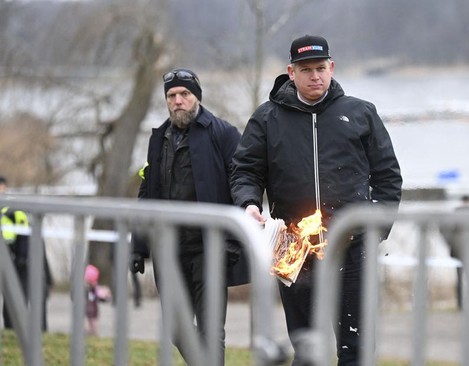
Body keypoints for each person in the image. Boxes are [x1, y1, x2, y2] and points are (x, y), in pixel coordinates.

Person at [230, 35, 403, 365]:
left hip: (352, 248)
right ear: (291, 72)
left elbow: (388, 178)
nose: (315, 76)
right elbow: (245, 171)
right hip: (294, 248)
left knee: (357, 347)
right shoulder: (267, 118)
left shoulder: (361, 113)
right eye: (306, 69)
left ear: (332, 68)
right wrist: (249, 203)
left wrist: (376, 229)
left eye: (321, 68)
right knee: (307, 348)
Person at [130, 68, 249, 364]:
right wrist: (138, 245)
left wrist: (234, 239)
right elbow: (148, 192)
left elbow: (242, 186)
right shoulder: (158, 138)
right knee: (176, 327)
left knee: (211, 331)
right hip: (168, 250)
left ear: (197, 96)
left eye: (185, 94)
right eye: (172, 95)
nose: (178, 100)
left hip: (210, 249)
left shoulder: (223, 133)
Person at [1, 176, 53, 331]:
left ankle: (20, 329)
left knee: (19, 298)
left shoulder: (13, 210)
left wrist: (21, 258)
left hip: (17, 260)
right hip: (9, 258)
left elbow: (24, 235)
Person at [440, 195, 469, 309]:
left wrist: (450, 242)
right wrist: (451, 242)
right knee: (465, 278)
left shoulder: (468, 213)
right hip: (463, 251)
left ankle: (468, 303)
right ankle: (463, 303)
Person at [84, 264, 100, 336]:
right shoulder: (86, 288)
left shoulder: (95, 288)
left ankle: (93, 333)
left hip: (93, 310)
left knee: (93, 323)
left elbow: (98, 296)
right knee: (89, 323)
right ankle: (89, 332)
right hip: (88, 310)